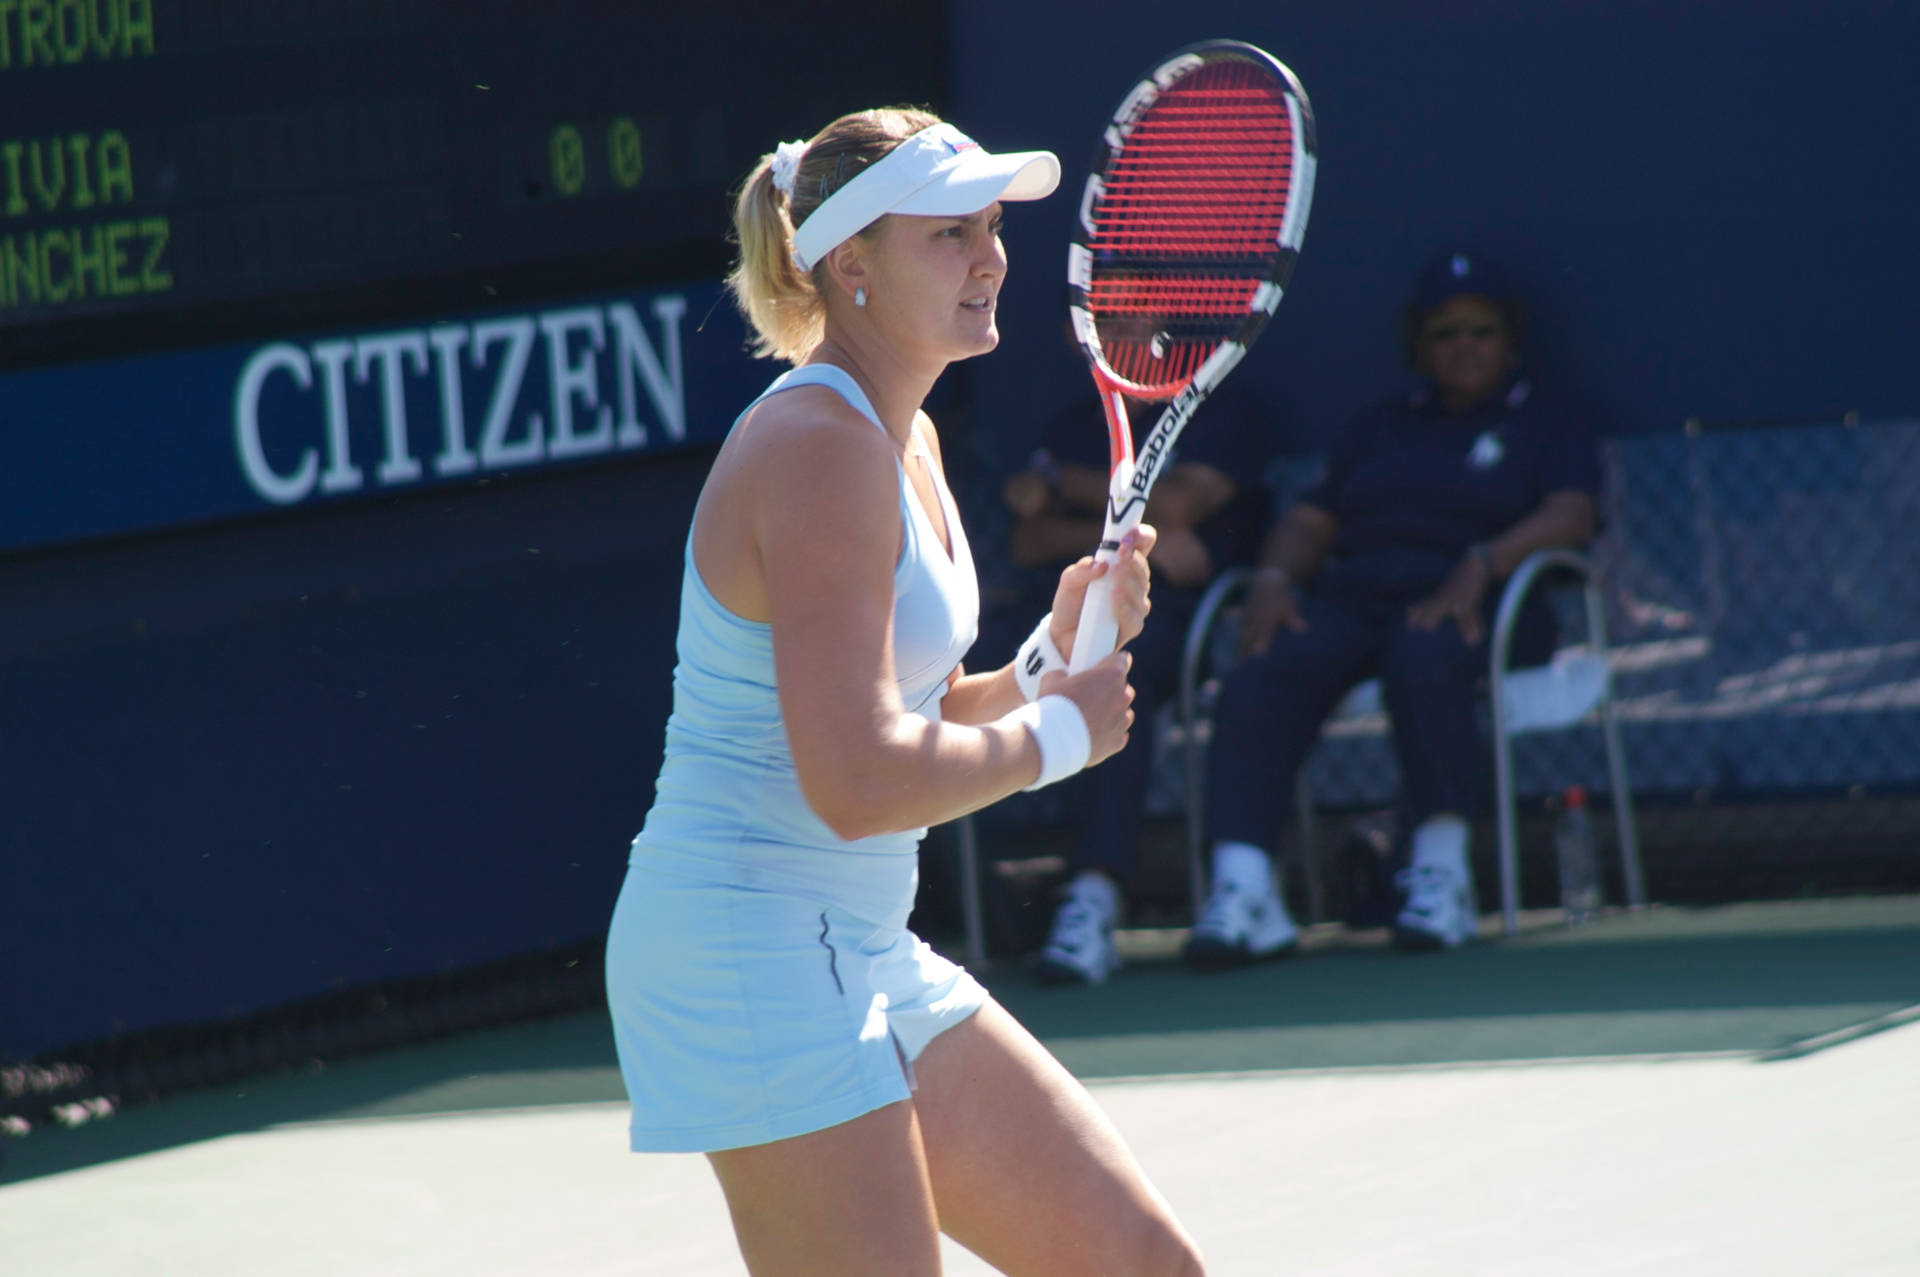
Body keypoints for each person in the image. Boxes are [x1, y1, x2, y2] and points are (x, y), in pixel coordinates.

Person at [602, 107, 1206, 1277]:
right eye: (950, 234)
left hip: (855, 937)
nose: (992, 258)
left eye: (991, 227)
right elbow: (860, 776)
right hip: (748, 941)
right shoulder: (817, 451)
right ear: (851, 265)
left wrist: (1044, 662)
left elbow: (908, 712)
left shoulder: (904, 437)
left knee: (1141, 1263)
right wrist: (1059, 735)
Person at [1185, 248, 1602, 964]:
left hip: (1483, 603)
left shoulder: (1549, 420)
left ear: (1509, 338)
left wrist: (1482, 562)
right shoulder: (1380, 424)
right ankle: (1245, 887)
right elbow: (1311, 522)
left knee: (1425, 658)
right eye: (1445, 333)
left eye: (1481, 330)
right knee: (1262, 669)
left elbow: (1572, 514)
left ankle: (1442, 872)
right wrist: (1277, 579)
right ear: (1419, 344)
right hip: (1358, 597)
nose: (1464, 346)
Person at [975, 372, 1273, 985]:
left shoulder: (1228, 411)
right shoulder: (1068, 422)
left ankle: (1093, 895)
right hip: (1049, 616)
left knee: (1106, 691)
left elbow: (1178, 509)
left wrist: (1061, 484)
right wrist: (1125, 540)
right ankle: (970, 900)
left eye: (1142, 299)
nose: (1127, 320)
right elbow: (1031, 540)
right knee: (945, 688)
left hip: (1172, 620)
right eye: (1106, 309)